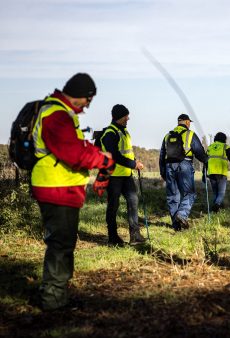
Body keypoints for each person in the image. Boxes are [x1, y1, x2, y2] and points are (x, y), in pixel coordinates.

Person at [30, 73, 115, 311]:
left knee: (63, 244)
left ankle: (57, 295)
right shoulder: (56, 114)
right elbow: (73, 153)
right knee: (60, 245)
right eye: (89, 100)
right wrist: (103, 161)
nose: (88, 106)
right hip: (56, 187)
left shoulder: (60, 113)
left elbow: (77, 145)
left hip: (60, 187)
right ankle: (53, 301)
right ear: (81, 96)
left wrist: (97, 153)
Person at [98, 104, 146, 246]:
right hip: (113, 176)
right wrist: (133, 164)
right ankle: (113, 238)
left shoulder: (124, 132)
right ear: (119, 117)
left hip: (126, 175)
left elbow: (126, 152)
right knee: (113, 206)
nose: (128, 118)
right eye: (126, 116)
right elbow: (115, 156)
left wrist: (134, 161)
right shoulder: (110, 133)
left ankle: (135, 235)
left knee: (133, 201)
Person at [159, 114, 208, 230]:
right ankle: (182, 215)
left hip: (169, 166)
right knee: (189, 193)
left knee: (172, 196)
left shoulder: (167, 135)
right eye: (189, 122)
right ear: (186, 122)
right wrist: (206, 160)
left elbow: (162, 155)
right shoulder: (190, 134)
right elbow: (199, 152)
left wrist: (162, 172)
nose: (189, 124)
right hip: (184, 165)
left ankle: (176, 226)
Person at [206, 132, 230, 212]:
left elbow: (205, 160)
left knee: (215, 193)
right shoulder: (225, 146)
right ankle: (217, 204)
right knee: (221, 193)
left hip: (211, 173)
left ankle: (214, 211)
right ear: (224, 139)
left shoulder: (210, 147)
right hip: (221, 173)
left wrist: (203, 173)